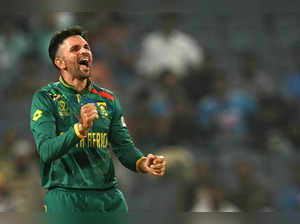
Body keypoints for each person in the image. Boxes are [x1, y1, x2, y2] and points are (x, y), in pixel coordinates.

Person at [30, 26, 166, 212]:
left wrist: (143, 163)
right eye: (75, 49)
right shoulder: (45, 98)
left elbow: (124, 147)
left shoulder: (108, 98)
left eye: (86, 47)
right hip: (66, 197)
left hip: (108, 198)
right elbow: (46, 150)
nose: (84, 51)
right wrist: (79, 129)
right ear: (60, 62)